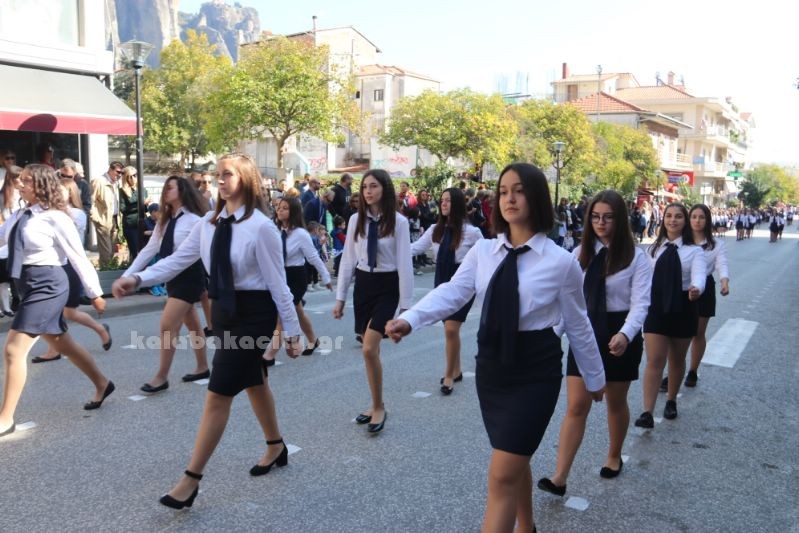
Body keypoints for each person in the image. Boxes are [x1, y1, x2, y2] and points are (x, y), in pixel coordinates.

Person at [386, 163, 605, 532]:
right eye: (503, 191)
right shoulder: (484, 251)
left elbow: (578, 323)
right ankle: (527, 526)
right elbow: (453, 291)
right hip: (492, 368)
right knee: (512, 455)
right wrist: (411, 319)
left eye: (519, 191)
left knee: (502, 474)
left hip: (535, 371)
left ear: (536, 197)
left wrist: (594, 376)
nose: (509, 198)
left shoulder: (561, 261)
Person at [112, 153, 301, 509]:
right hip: (224, 312)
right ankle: (276, 445)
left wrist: (291, 331)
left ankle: (191, 480)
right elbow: (176, 261)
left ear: (245, 179)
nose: (220, 180)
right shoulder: (208, 224)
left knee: (218, 393)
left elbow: (279, 285)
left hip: (254, 315)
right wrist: (137, 278)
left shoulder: (262, 227)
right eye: (218, 175)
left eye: (227, 174)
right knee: (254, 381)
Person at [537, 190, 651, 497]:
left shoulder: (637, 257)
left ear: (620, 220)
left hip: (619, 332)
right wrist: (552, 335)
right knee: (576, 405)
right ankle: (560, 477)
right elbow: (568, 302)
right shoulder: (577, 254)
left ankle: (614, 455)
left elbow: (641, 303)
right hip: (585, 331)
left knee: (615, 401)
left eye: (608, 217)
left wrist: (626, 334)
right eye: (596, 217)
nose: (601, 223)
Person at [0, 164, 115, 439]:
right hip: (26, 285)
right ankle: (102, 383)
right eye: (20, 180)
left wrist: (95, 293)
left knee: (14, 350)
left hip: (48, 285)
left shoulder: (56, 218)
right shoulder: (20, 214)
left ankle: (5, 418)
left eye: (26, 181)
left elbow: (78, 256)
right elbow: (4, 242)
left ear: (41, 185)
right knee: (63, 343)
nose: (20, 184)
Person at [333, 169, 414, 435]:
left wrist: (406, 308)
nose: (368, 191)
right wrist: (340, 298)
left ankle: (378, 406)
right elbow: (348, 260)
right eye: (365, 187)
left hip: (387, 287)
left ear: (385, 189)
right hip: (363, 286)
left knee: (368, 348)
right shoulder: (355, 219)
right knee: (372, 351)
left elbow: (405, 264)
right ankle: (376, 402)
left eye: (374, 186)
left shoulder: (399, 222)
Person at [122, 176, 210, 392]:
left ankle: (161, 377)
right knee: (192, 323)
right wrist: (127, 276)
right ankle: (202, 367)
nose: (165, 191)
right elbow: (149, 250)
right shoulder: (165, 220)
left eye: (170, 187)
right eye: (165, 188)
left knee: (167, 325)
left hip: (189, 276)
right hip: (171, 275)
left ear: (182, 191)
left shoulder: (194, 220)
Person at [635, 203, 706, 428]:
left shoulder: (694, 251)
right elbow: (642, 278)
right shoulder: (653, 249)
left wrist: (696, 289)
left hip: (684, 306)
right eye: (668, 216)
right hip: (657, 307)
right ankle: (647, 412)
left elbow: (700, 276)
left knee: (676, 359)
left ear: (685, 221)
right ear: (663, 219)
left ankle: (671, 399)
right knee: (655, 359)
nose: (672, 220)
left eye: (678, 217)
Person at [408, 187, 482, 394]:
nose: (444, 204)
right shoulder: (435, 229)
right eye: (442, 200)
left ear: (457, 204)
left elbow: (486, 258)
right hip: (442, 280)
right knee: (450, 330)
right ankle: (456, 370)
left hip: (463, 283)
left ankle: (448, 376)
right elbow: (415, 248)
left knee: (451, 328)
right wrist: (390, 252)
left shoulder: (472, 232)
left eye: (448, 200)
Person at [31, 181, 113, 363]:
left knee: (66, 312)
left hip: (69, 265)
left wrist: (95, 293)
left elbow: (75, 250)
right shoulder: (44, 213)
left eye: (63, 190)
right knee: (61, 312)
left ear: (71, 193)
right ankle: (57, 348)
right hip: (56, 266)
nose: (56, 193)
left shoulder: (75, 214)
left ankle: (97, 332)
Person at [263, 197, 332, 365]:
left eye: (285, 208)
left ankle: (269, 355)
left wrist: (326, 277)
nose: (280, 210)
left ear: (293, 211)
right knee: (298, 311)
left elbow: (313, 257)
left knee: (283, 314)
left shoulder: (301, 234)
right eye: (279, 207)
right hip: (280, 276)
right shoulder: (274, 230)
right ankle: (313, 340)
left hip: (296, 277)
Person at [683, 204, 729, 387]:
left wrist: (724, 281)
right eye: (694, 217)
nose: (697, 221)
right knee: (679, 334)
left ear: (708, 220)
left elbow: (722, 264)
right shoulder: (681, 241)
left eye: (701, 217)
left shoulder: (716, 244)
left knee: (698, 332)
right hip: (683, 287)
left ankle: (693, 370)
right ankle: (674, 371)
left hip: (705, 288)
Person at [91, 162, 123, 265]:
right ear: (110, 169)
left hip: (114, 218)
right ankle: (106, 268)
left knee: (113, 247)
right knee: (106, 249)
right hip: (103, 218)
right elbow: (91, 200)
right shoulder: (99, 181)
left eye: (121, 173)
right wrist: (96, 218)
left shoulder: (117, 183)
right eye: (118, 172)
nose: (119, 175)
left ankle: (109, 267)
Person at [119, 166, 147, 262]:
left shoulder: (142, 190)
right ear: (125, 178)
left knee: (144, 250)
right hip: (130, 225)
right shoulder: (122, 191)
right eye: (129, 176)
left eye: (135, 175)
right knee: (135, 251)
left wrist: (146, 205)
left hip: (142, 224)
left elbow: (145, 209)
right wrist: (139, 205)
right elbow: (123, 209)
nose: (133, 178)